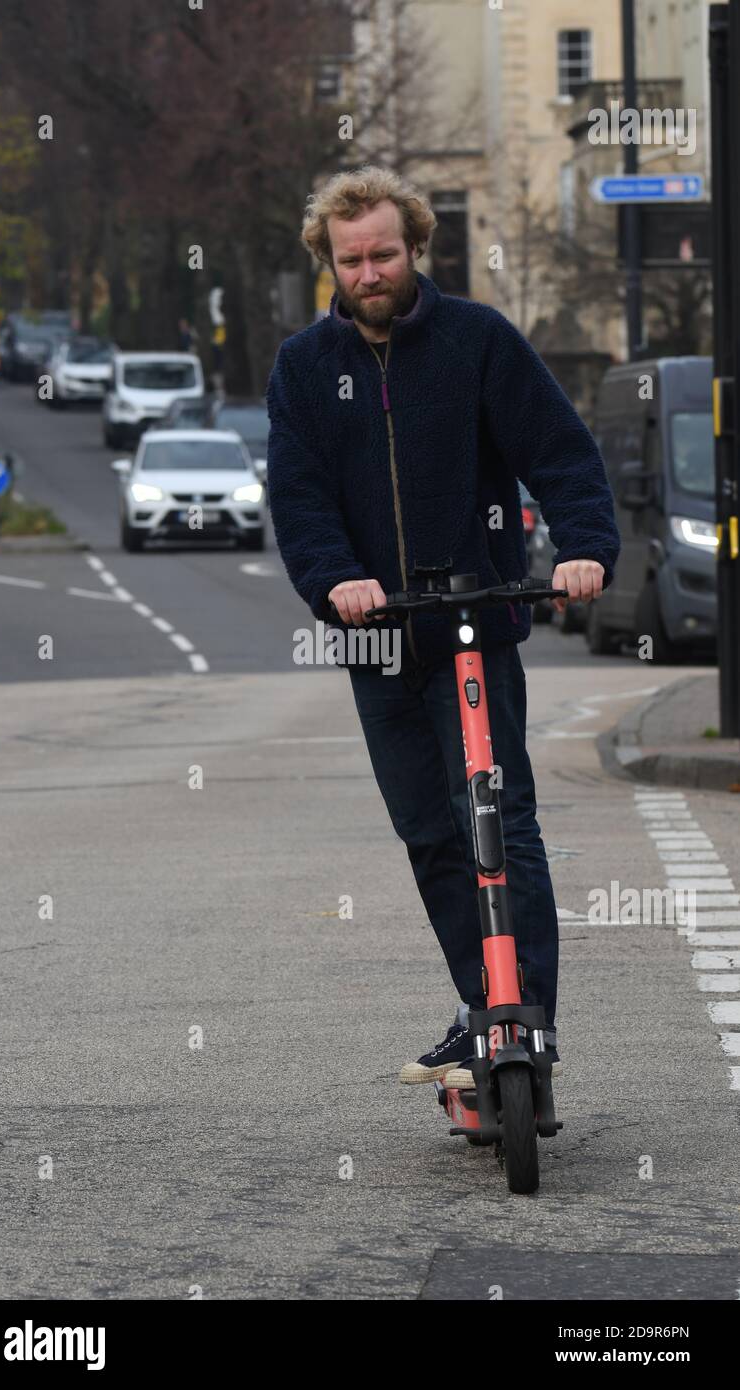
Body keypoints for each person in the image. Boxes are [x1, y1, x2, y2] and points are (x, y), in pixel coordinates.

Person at [265, 165, 620, 1085]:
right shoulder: (304, 369)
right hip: (381, 637)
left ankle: (526, 1017)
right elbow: (299, 499)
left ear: (416, 247)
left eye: (385, 253)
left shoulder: (478, 342)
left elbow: (560, 451)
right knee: (429, 831)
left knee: (501, 818)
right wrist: (337, 578)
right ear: (328, 264)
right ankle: (482, 1006)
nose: (370, 271)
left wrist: (583, 549)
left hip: (475, 620)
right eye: (351, 260)